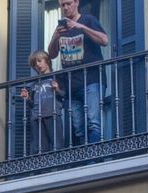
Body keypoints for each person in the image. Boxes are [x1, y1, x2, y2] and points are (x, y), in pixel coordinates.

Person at [45, 0, 108, 146]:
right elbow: (52, 54)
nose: (66, 7)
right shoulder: (60, 28)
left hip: (92, 80)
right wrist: (55, 37)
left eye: (68, 3)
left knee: (93, 122)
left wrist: (81, 27)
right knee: (79, 128)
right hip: (71, 86)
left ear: (76, 2)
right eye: (63, 5)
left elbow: (105, 40)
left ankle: (95, 160)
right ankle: (87, 160)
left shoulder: (88, 20)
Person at [19, 50, 62, 154]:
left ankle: (58, 168)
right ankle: (42, 170)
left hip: (53, 114)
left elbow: (63, 95)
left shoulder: (56, 77)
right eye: (34, 64)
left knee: (57, 144)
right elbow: (32, 104)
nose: (37, 65)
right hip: (37, 118)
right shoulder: (34, 84)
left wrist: (57, 89)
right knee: (40, 148)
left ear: (47, 60)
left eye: (39, 61)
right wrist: (28, 98)